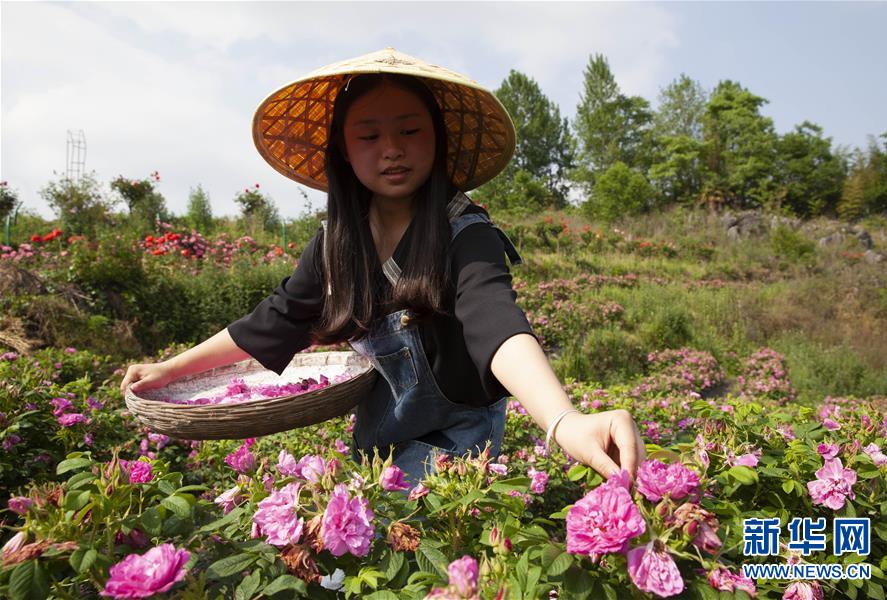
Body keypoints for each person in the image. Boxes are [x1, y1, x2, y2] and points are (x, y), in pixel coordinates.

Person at [120, 48, 646, 487]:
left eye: (410, 131)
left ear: (436, 140)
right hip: (375, 446)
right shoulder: (337, 243)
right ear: (344, 152)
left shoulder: (466, 232)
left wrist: (565, 420)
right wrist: (171, 369)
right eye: (369, 136)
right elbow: (275, 321)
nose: (392, 150)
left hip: (457, 445)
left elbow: (496, 322)